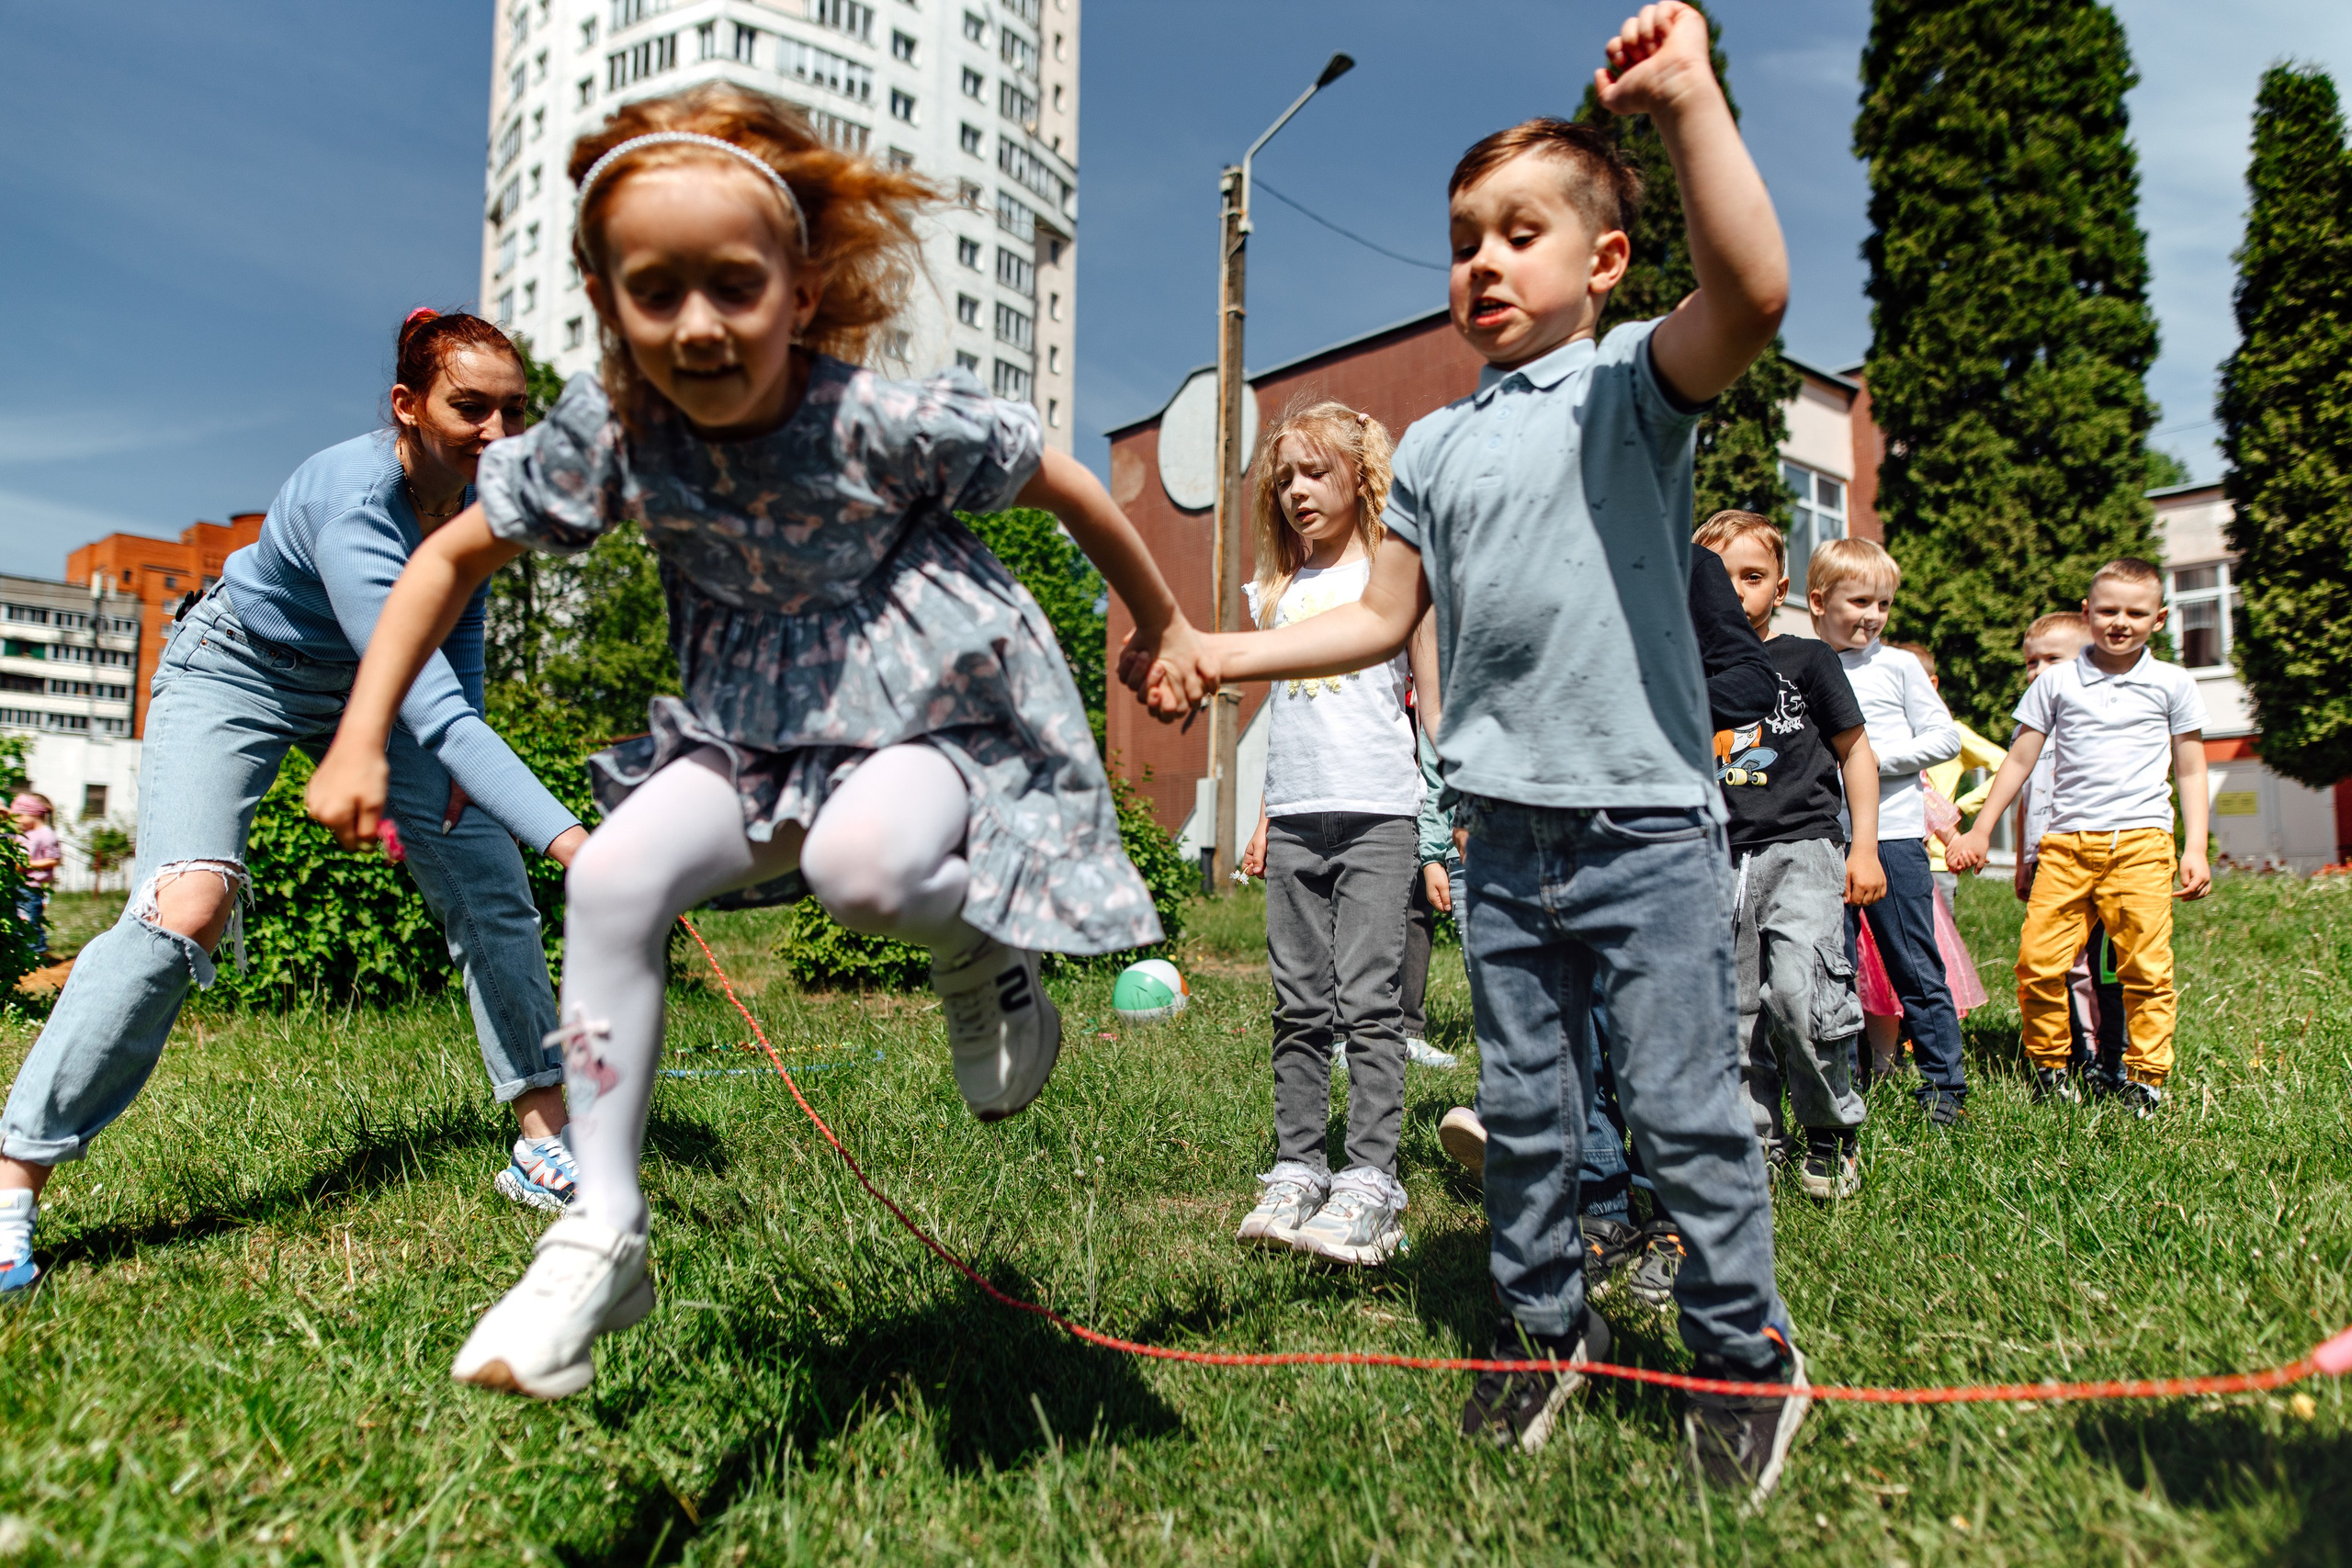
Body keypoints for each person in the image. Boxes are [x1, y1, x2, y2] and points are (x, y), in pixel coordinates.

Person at [308, 85, 1198, 1399]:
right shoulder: (615, 439)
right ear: (609, 304)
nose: (699, 323)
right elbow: (447, 555)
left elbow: (1062, 477)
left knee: (865, 871)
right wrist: (361, 728)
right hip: (759, 726)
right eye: (654, 291)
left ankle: (981, 953)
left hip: (925, 704)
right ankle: (602, 1223)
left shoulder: (873, 418)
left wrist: (1166, 622)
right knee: (610, 876)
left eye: (734, 284)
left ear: (800, 285)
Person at [1143, 4, 1808, 1501]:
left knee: (1688, 1108)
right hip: (1503, 840)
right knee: (1530, 1113)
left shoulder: (1636, 390)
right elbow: (1380, 618)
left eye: (1520, 232)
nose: (1483, 262)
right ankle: (1540, 1323)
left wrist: (1689, 100)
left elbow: (1754, 292)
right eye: (1464, 237)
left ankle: (1739, 1349)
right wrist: (1229, 652)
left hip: (1643, 830)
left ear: (1605, 263)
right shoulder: (1432, 448)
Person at [0, 310, 590, 1299]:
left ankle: (544, 1143)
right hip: (238, 669)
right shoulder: (351, 497)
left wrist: (467, 792)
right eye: (469, 408)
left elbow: (460, 648)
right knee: (188, 903)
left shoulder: (483, 504)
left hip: (374, 690)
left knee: (487, 874)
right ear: (407, 407)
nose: (497, 433)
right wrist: (579, 844)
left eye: (514, 412)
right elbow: (427, 701)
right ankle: (13, 1176)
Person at [1433, 542, 1779, 1310]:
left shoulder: (1675, 559)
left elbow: (1750, 679)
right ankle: (1601, 1205)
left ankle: (1674, 1220)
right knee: (1573, 1043)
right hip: (1537, 845)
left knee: (1655, 1048)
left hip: (1653, 843)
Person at [1231, 401, 1435, 1267]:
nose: (1296, 491)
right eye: (1283, 478)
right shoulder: (1274, 592)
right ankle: (1296, 1167)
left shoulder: (1393, 577)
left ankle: (1370, 1181)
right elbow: (1281, 719)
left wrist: (1449, 812)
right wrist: (1266, 814)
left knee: (1368, 1002)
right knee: (1297, 1002)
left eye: (1314, 472)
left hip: (1379, 814)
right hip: (1300, 817)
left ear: (1361, 474)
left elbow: (1433, 692)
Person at [1947, 559, 2210, 1115]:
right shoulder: (2058, 682)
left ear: (2158, 619)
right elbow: (2020, 758)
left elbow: (2189, 766)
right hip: (2066, 845)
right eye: (2108, 610)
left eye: (2136, 613)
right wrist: (1981, 828)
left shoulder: (2172, 683)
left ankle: (2144, 1076)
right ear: (2088, 613)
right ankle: (2050, 1065)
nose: (2121, 622)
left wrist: (2194, 847)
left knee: (2145, 967)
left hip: (2141, 844)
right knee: (2038, 962)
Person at [1696, 512, 1883, 1201]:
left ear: (1778, 589)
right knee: (1732, 1009)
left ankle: (1832, 1129)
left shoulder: (1807, 659)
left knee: (1801, 992)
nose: (1736, 593)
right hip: (1717, 857)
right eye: (1720, 579)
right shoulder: (1685, 673)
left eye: (1752, 577)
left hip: (1803, 846)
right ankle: (1755, 1141)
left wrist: (1862, 845)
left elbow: (1855, 751)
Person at [1806, 538, 1967, 1123]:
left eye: (1884, 604)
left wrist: (1870, 758)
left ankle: (1944, 1088)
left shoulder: (1896, 665)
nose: (1873, 616)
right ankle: (1842, 1087)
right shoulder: (1803, 661)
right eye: (1860, 602)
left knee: (1913, 962)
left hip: (1895, 838)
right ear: (1819, 601)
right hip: (1823, 838)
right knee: (1833, 965)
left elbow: (1945, 738)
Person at [2014, 613, 2126, 1088]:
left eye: (2050, 659)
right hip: (2049, 861)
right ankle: (2071, 1051)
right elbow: (2025, 796)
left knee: (2107, 965)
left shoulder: (2099, 722)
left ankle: (2112, 1053)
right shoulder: (2031, 728)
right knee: (2057, 964)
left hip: (2106, 859)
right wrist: (2023, 861)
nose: (2037, 670)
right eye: (2030, 662)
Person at [10, 795, 60, 961]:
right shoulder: (25, 833)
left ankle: (38, 952)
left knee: (30, 919)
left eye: (20, 817)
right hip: (19, 883)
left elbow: (54, 860)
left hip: (33, 886)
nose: (17, 821)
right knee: (19, 919)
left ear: (34, 814)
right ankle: (22, 953)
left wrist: (28, 865)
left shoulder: (46, 834)